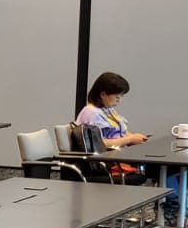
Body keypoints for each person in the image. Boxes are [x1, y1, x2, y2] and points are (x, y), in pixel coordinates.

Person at [77, 72, 182, 210]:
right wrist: (130, 139)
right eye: (117, 96)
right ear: (103, 94)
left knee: (169, 167)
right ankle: (174, 204)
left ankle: (175, 203)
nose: (119, 100)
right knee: (165, 167)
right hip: (109, 162)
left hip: (120, 156)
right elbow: (101, 143)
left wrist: (134, 137)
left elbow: (119, 132)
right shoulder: (91, 113)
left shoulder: (107, 110)